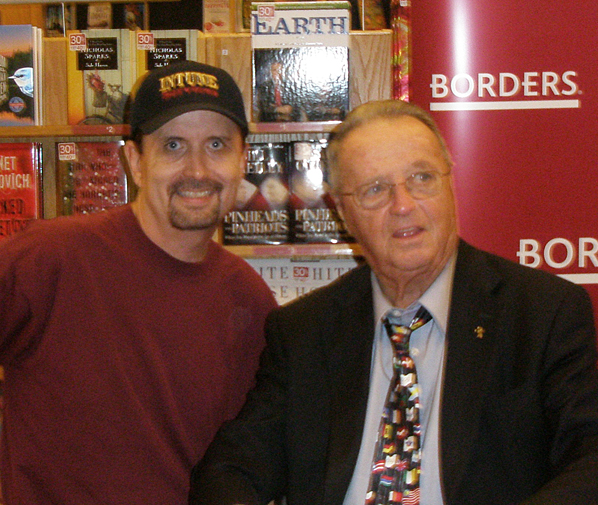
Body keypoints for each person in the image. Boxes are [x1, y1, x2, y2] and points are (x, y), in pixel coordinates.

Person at [188, 99, 598, 505]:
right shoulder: (303, 332)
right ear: (342, 213)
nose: (402, 205)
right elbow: (234, 468)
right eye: (375, 189)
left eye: (421, 178)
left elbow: (590, 458)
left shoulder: (542, 313)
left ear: (450, 184)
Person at [0, 60, 277, 505]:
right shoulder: (51, 258)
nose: (198, 170)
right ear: (135, 160)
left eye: (217, 145)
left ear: (243, 160)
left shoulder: (250, 300)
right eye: (173, 145)